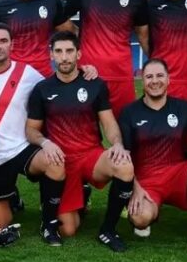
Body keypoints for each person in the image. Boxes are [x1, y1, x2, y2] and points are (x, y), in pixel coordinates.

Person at [25, 31, 135, 246]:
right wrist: (46, 143)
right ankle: (72, 201)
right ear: (51, 55)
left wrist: (118, 144)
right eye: (59, 51)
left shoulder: (95, 84)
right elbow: (31, 130)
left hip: (90, 155)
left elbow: (109, 123)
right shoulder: (42, 89)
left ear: (79, 54)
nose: (64, 57)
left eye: (69, 51)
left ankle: (108, 230)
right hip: (62, 160)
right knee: (68, 229)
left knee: (124, 166)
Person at [0, 24, 65, 245]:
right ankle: (12, 197)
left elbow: (57, 86)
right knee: (2, 225)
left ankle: (49, 224)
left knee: (54, 161)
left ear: (12, 44)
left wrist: (85, 70)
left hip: (21, 148)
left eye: (3, 41)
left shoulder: (28, 74)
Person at [120, 59, 187, 255]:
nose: (155, 81)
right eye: (149, 76)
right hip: (146, 180)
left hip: (178, 173)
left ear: (169, 79)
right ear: (142, 80)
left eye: (160, 76)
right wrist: (135, 187)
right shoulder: (129, 112)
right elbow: (124, 158)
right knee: (140, 219)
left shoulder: (183, 108)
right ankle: (150, 215)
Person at [63, 0, 150, 117]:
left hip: (121, 75)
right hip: (88, 73)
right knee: (83, 130)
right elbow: (60, 18)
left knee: (125, 131)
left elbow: (143, 35)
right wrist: (76, 34)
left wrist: (155, 66)